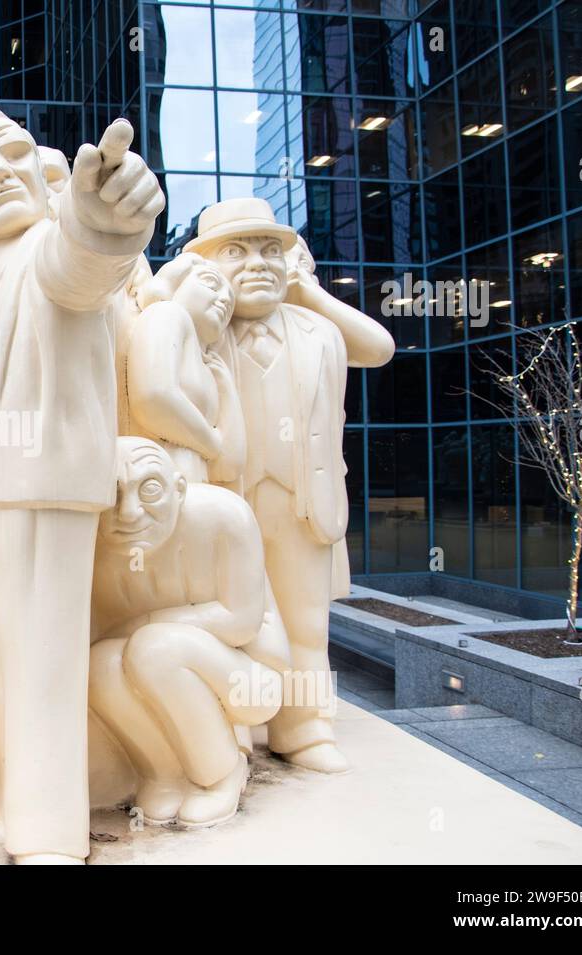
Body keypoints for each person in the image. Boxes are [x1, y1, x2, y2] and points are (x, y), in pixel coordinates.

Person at [0, 107, 164, 863]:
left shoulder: (45, 244)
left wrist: (104, 224)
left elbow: (83, 266)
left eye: (10, 154)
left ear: (41, 168)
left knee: (40, 658)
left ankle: (50, 830)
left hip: (43, 483)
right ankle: (21, 799)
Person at [190, 198, 393, 773]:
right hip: (226, 503)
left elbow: (379, 348)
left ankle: (304, 728)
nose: (257, 263)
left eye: (270, 250)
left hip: (302, 502)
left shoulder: (317, 329)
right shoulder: (198, 330)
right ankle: (232, 729)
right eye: (237, 252)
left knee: (306, 622)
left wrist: (306, 291)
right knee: (232, 619)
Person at [90, 437, 287, 827]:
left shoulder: (224, 516)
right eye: (112, 493)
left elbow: (239, 620)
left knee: (154, 649)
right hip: (155, 661)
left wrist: (146, 626)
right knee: (98, 666)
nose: (128, 513)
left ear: (178, 490)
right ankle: (163, 775)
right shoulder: (91, 540)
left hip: (251, 675)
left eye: (149, 490)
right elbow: (101, 631)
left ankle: (218, 773)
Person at [122, 253, 243, 484]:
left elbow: (230, 467)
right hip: (158, 481)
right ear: (175, 282)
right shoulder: (166, 313)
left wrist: (227, 388)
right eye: (211, 283)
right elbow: (154, 397)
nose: (224, 299)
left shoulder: (209, 364)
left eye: (230, 298)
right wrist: (212, 444)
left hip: (190, 480)